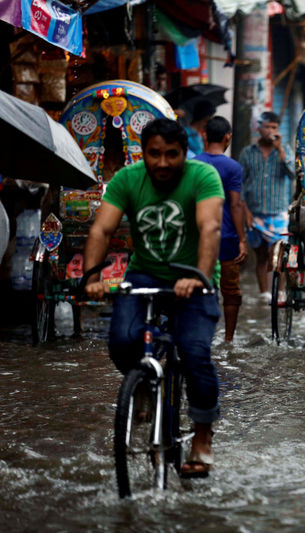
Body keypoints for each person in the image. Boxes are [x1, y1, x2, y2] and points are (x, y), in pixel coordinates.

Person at [83, 118, 224, 478]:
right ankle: (143, 383)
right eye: (154, 154)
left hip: (194, 277)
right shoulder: (127, 180)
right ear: (143, 153)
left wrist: (199, 277)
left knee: (194, 352)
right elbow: (102, 228)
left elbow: (210, 227)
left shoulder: (203, 177)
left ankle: (203, 436)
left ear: (184, 154)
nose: (162, 163)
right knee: (121, 341)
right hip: (144, 274)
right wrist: (92, 277)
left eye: (171, 155)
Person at [195, 116, 248, 342]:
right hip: (226, 237)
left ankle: (201, 336)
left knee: (197, 285)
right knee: (231, 291)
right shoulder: (233, 167)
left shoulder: (193, 164)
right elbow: (235, 204)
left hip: (197, 236)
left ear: (204, 136)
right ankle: (228, 339)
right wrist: (242, 239)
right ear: (228, 137)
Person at [238, 111, 293, 302]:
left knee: (278, 256)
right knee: (261, 256)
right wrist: (245, 211)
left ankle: (280, 293)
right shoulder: (247, 153)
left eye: (274, 127)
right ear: (259, 129)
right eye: (267, 127)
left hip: (278, 212)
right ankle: (264, 294)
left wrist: (281, 151)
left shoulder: (284, 149)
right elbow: (241, 184)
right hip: (255, 212)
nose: (271, 131)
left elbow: (293, 173)